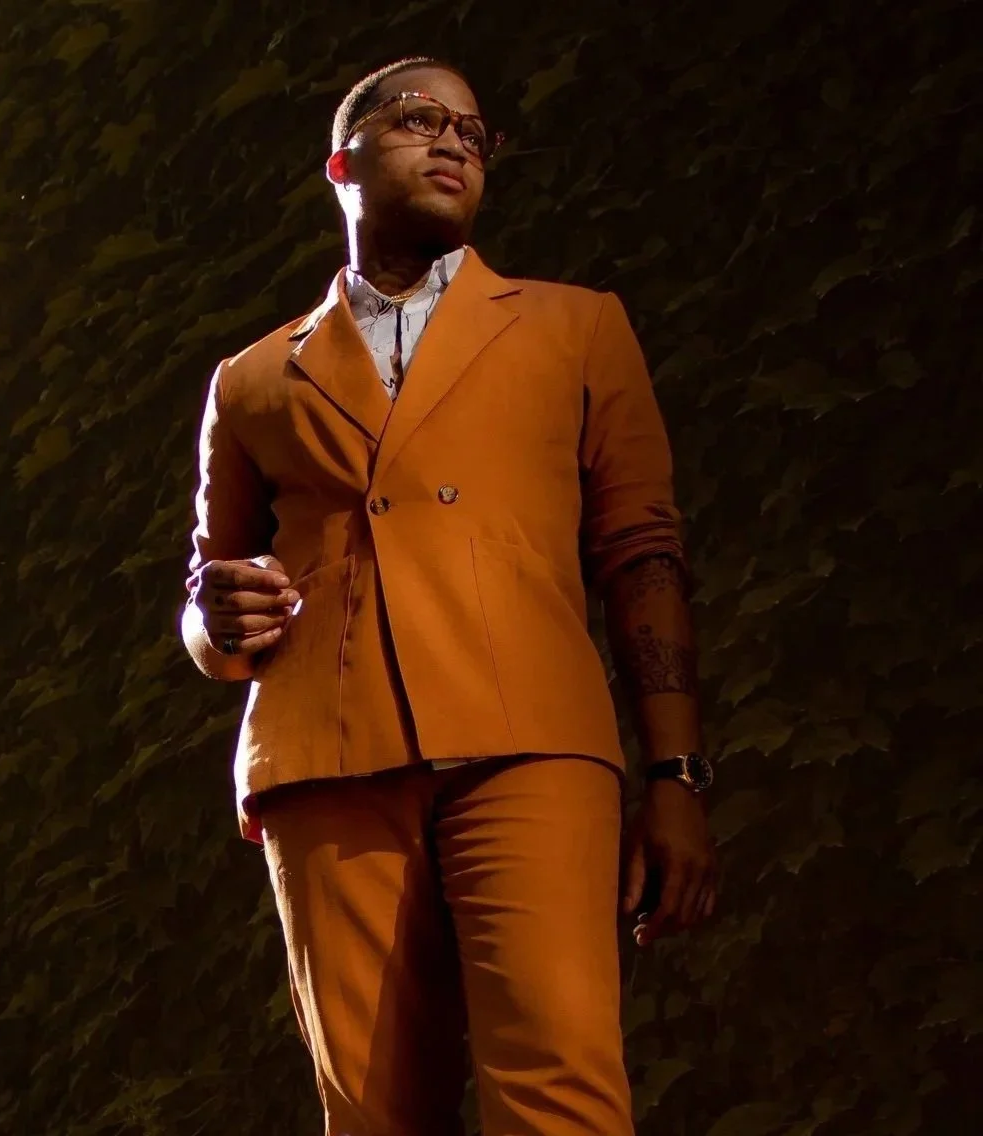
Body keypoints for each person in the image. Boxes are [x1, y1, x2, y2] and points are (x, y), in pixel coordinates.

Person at [181, 55, 717, 1136]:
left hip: (529, 741)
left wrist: (673, 771)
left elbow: (641, 553)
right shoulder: (249, 379)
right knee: (373, 1116)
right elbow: (206, 597)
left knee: (560, 1095)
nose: (453, 143)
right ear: (342, 163)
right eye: (419, 118)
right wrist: (215, 622)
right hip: (322, 761)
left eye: (475, 134)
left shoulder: (576, 327)